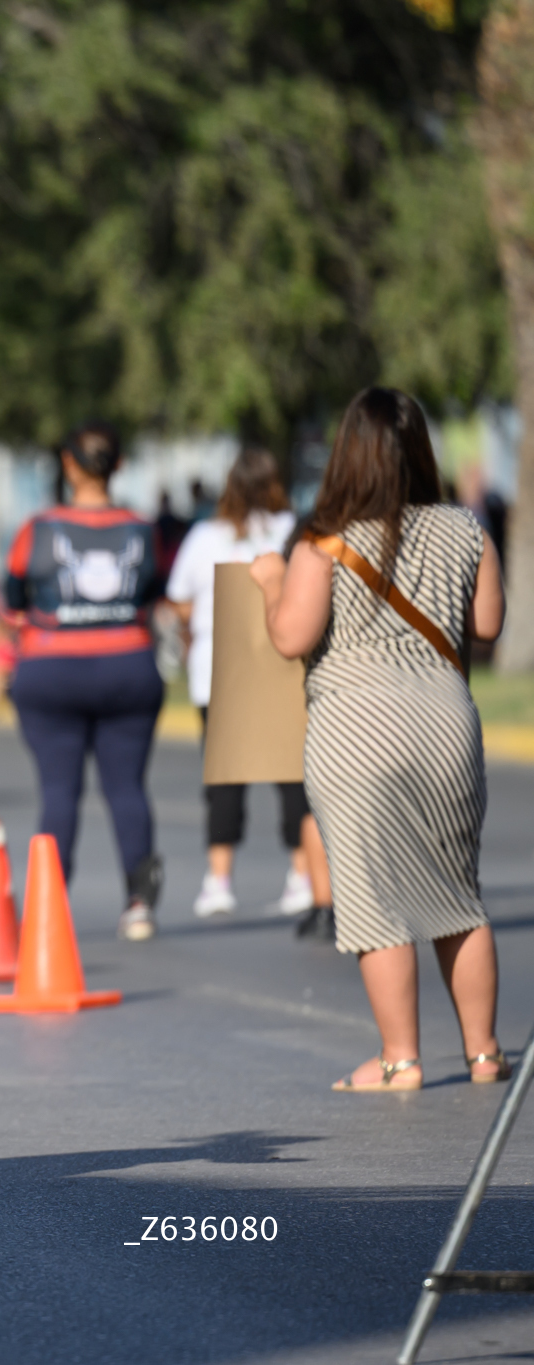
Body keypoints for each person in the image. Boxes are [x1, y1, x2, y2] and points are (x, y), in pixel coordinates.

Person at [251, 387, 507, 1092]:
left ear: (348, 455)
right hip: (447, 723)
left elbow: (290, 637)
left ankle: (400, 1060)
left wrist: (273, 582)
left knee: (374, 900)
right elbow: (487, 624)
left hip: (356, 732)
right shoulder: (467, 528)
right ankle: (484, 1053)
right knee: (459, 896)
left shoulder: (323, 543)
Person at [3, 423, 166, 941]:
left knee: (58, 791)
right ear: (118, 466)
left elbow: (12, 600)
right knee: (127, 788)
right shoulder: (142, 529)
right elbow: (153, 595)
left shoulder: (39, 527)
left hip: (53, 670)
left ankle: (48, 912)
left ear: (68, 466)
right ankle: (140, 903)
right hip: (129, 666)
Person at [162, 447, 316, 919]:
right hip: (285, 670)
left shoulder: (205, 536)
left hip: (218, 672)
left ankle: (219, 880)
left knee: (225, 779)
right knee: (294, 776)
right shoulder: (296, 530)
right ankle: (300, 876)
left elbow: (179, 601)